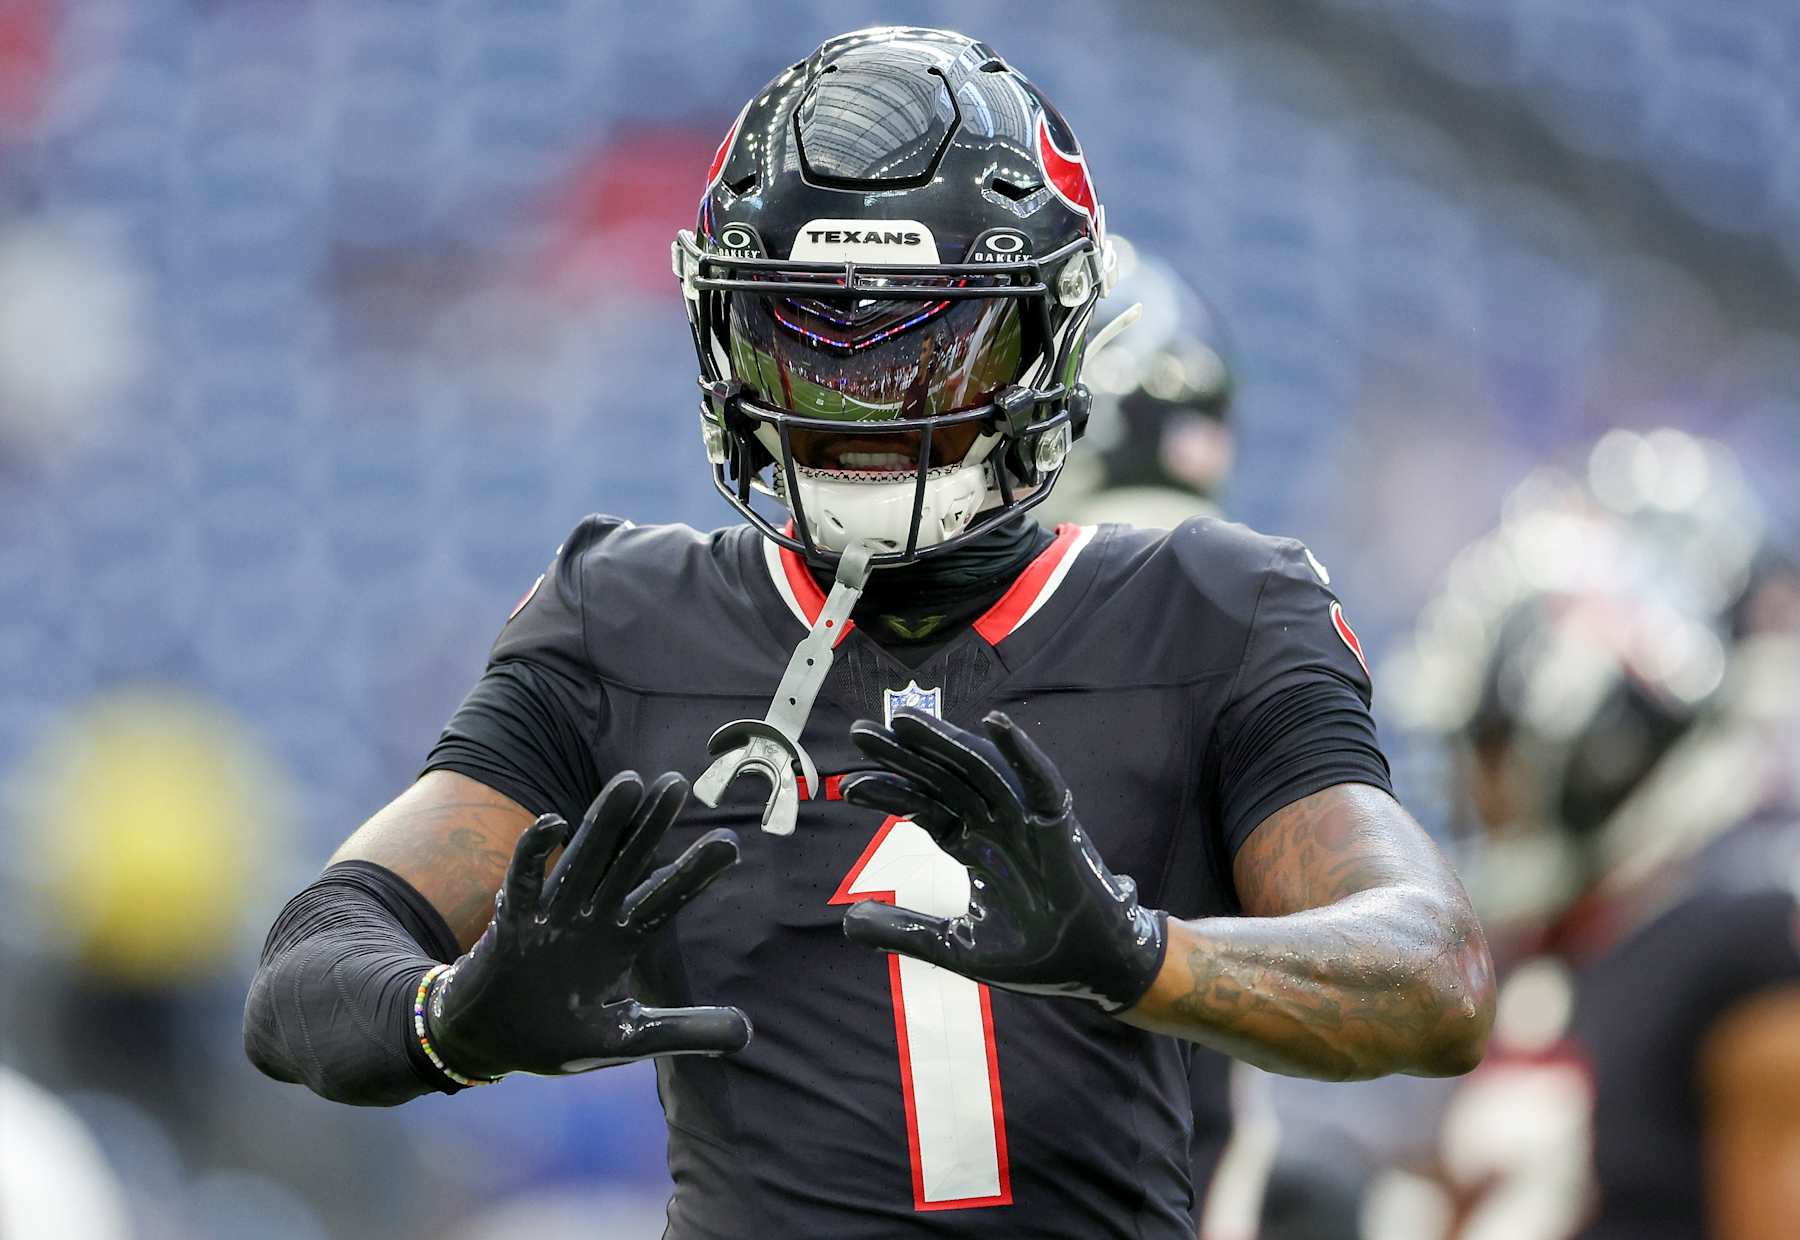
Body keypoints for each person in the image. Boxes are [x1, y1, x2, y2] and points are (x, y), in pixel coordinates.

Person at [244, 27, 1494, 1239]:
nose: (859, 409)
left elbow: (1434, 976)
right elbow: (307, 967)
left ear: (1051, 334)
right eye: (804, 339)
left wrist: (1138, 953)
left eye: (928, 347)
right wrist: (447, 1018)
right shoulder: (618, 614)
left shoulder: (1212, 609)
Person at [1318, 431, 1800, 1240]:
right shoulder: (1558, 962)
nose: (1478, 791)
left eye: (1494, 748)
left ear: (1600, 738)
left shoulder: (1742, 944)